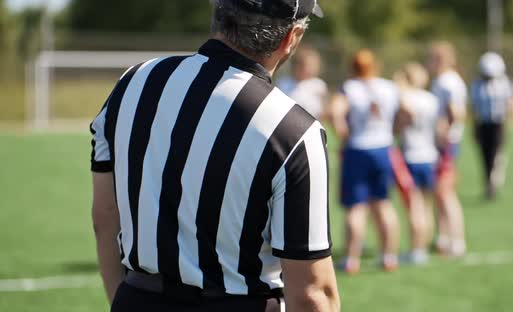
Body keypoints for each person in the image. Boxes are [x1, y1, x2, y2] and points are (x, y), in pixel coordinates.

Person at [90, 1, 340, 311]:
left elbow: (105, 217)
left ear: (218, 13)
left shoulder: (133, 83)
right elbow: (312, 292)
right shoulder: (293, 129)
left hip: (137, 298)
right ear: (292, 38)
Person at [329, 49, 400, 274]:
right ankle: (389, 256)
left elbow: (334, 112)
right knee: (383, 204)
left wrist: (343, 134)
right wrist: (392, 130)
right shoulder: (388, 87)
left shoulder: (349, 88)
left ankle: (351, 260)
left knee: (356, 208)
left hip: (358, 148)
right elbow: (407, 110)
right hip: (383, 147)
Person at [394, 63, 440, 265]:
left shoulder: (406, 98)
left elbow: (402, 118)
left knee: (414, 206)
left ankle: (416, 249)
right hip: (430, 155)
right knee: (427, 205)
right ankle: (423, 246)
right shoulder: (431, 99)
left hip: (411, 156)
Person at [428, 41, 467, 257]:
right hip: (442, 144)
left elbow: (456, 111)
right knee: (440, 193)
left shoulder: (448, 81)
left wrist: (445, 132)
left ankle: (457, 242)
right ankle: (442, 238)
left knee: (446, 192)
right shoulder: (444, 80)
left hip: (446, 145)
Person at [470, 52, 513, 199]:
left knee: (495, 152)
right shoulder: (476, 84)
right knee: (484, 155)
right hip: (483, 124)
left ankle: (493, 181)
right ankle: (488, 183)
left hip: (498, 123)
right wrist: (474, 128)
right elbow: (474, 108)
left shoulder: (505, 83)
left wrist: (511, 108)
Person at [277, 47, 329, 120]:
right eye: (307, 65)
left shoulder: (319, 85)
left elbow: (324, 107)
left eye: (313, 66)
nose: (310, 69)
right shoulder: (285, 83)